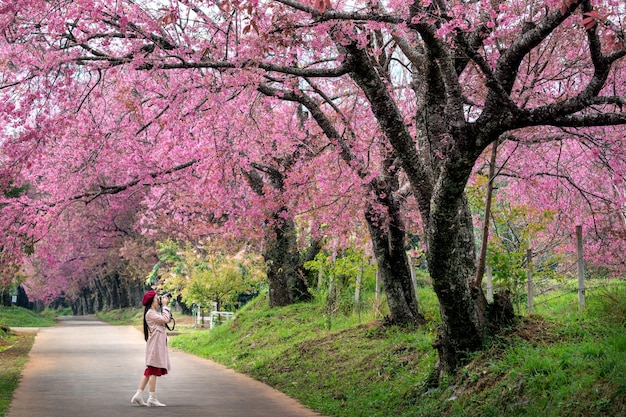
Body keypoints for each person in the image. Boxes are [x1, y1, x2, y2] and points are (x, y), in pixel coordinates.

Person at [131, 289, 173, 407]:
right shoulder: (150, 313)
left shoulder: (154, 313)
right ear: (152, 301)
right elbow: (165, 319)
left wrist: (165, 308)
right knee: (153, 369)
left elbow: (167, 319)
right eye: (157, 298)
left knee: (150, 370)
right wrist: (165, 306)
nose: (159, 299)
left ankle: (138, 395)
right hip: (155, 344)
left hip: (157, 343)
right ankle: (152, 397)